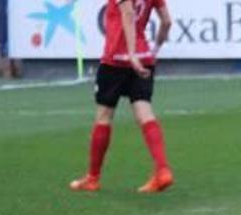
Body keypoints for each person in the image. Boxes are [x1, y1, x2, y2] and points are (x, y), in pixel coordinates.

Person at [69, 0, 173, 193]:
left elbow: (128, 14)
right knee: (145, 112)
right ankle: (162, 169)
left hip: (116, 60)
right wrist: (154, 51)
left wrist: (131, 54)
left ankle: (92, 178)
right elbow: (166, 22)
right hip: (144, 57)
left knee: (104, 116)